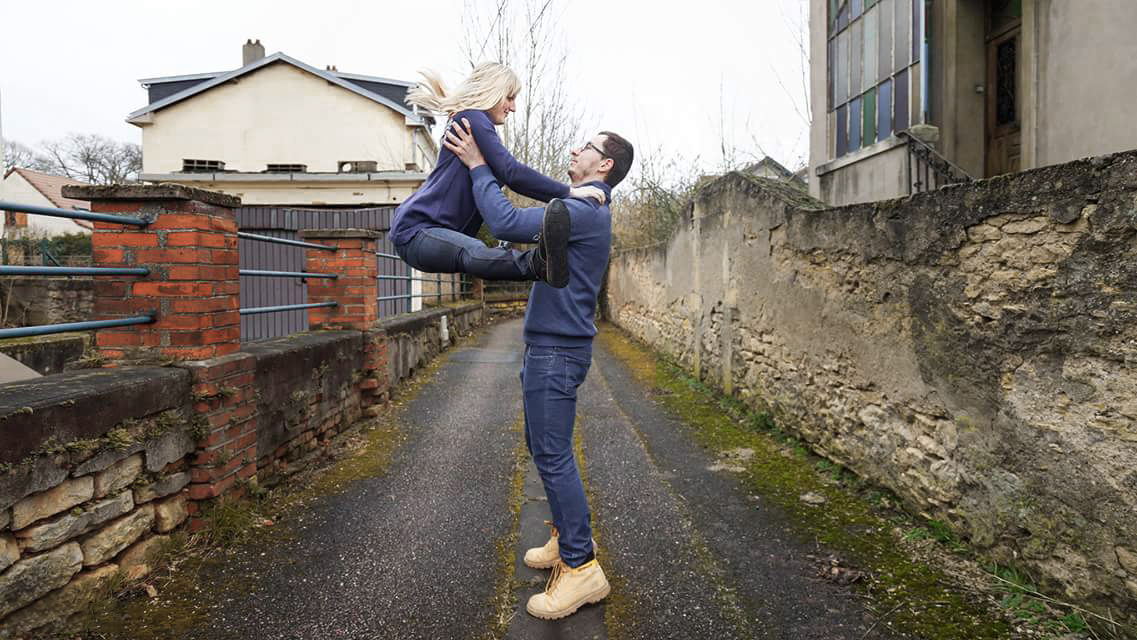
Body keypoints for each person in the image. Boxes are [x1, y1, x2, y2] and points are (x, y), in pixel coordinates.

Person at [443, 118, 634, 620]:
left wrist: (479, 166)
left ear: (606, 164)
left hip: (557, 351)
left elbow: (505, 223)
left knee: (552, 454)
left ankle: (581, 568)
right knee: (543, 448)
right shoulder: (583, 205)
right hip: (547, 347)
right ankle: (566, 536)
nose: (575, 149)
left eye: (587, 147)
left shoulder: (581, 211)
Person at [390, 62, 604, 288]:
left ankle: (537, 263)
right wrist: (571, 192)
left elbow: (506, 174)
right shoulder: (472, 118)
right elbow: (511, 172)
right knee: (473, 251)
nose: (513, 107)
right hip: (417, 230)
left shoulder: (474, 122)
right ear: (492, 91)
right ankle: (536, 264)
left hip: (433, 235)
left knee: (473, 252)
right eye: (509, 98)